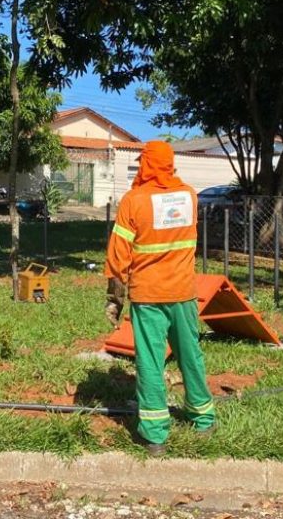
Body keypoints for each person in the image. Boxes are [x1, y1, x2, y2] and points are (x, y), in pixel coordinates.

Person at [104, 140, 215, 456]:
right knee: (189, 354)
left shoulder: (133, 201)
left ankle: (155, 436)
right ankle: (203, 418)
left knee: (151, 361)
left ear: (146, 165)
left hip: (148, 295)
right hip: (183, 294)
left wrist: (115, 298)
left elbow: (118, 256)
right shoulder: (190, 197)